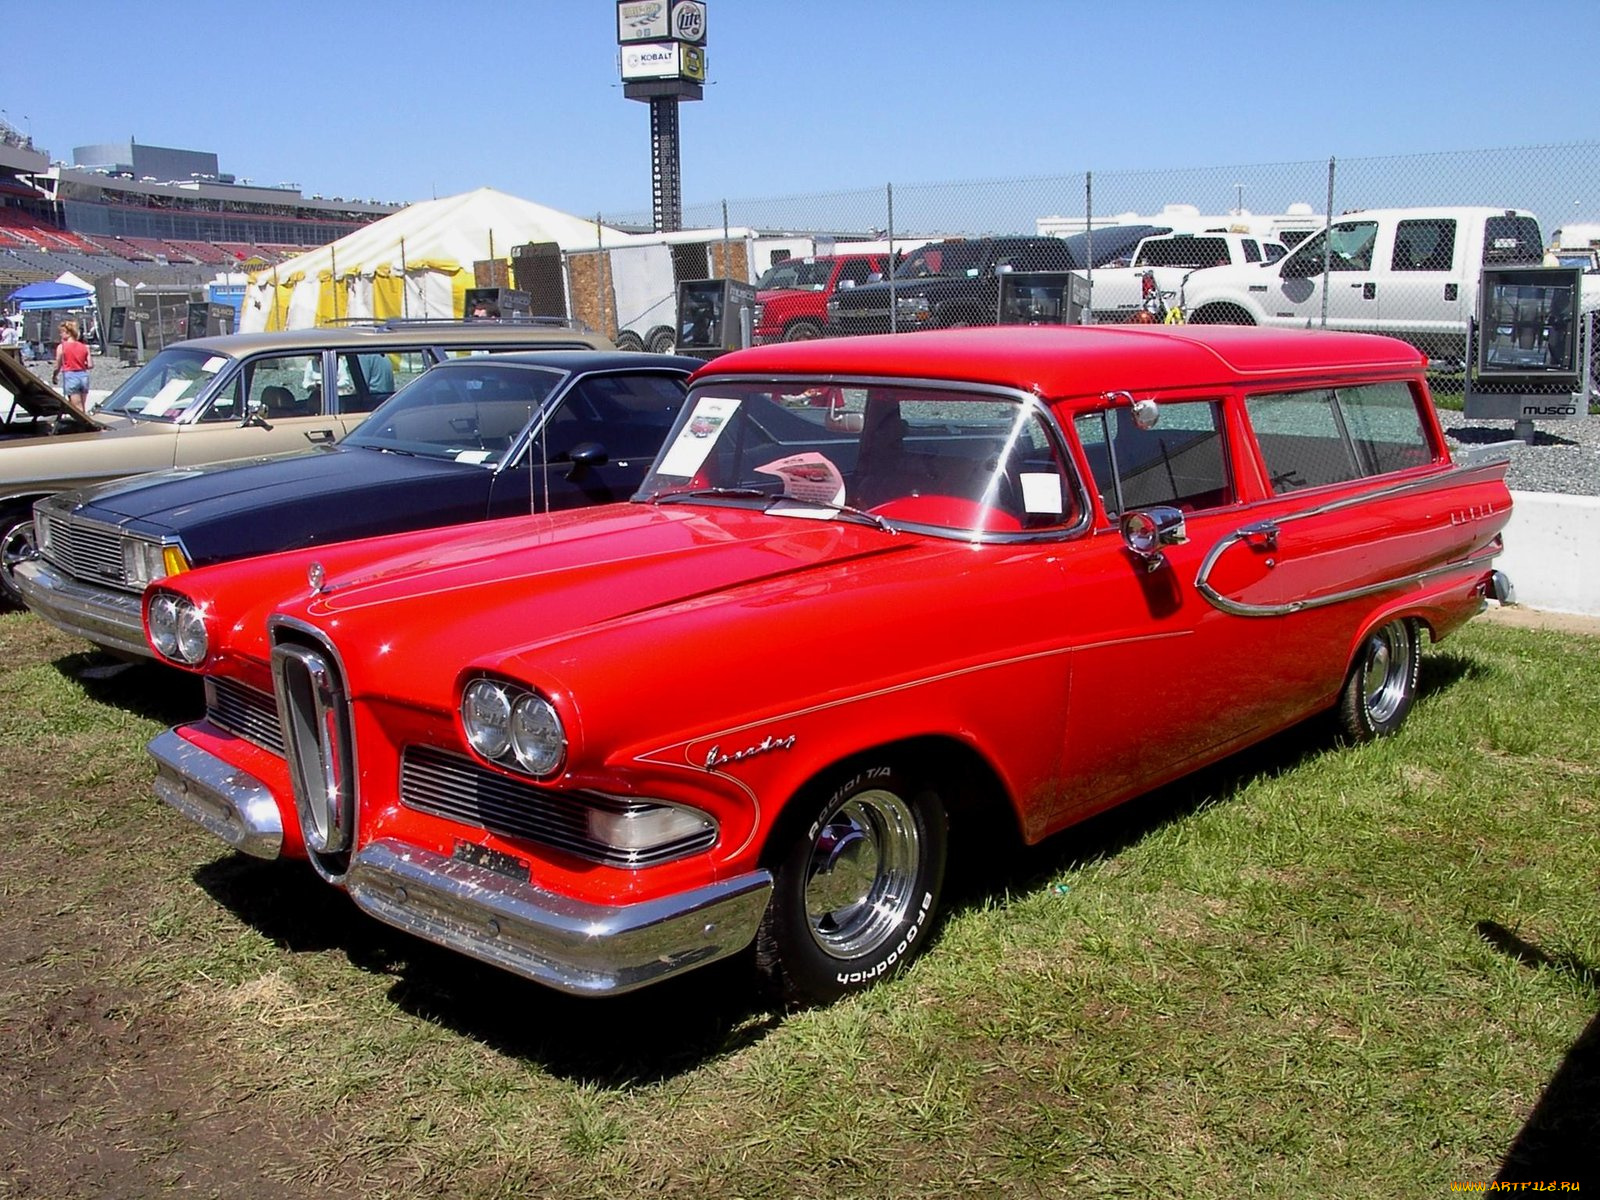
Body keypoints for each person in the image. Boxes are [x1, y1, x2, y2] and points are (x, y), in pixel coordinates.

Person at [51, 319, 93, 416]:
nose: (60, 335)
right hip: (83, 376)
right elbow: (90, 365)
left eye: (61, 333)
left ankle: (84, 428)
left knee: (77, 408)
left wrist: (55, 376)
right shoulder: (85, 347)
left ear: (68, 333)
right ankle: (82, 425)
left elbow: (58, 365)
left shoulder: (62, 347)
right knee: (81, 405)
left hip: (71, 376)